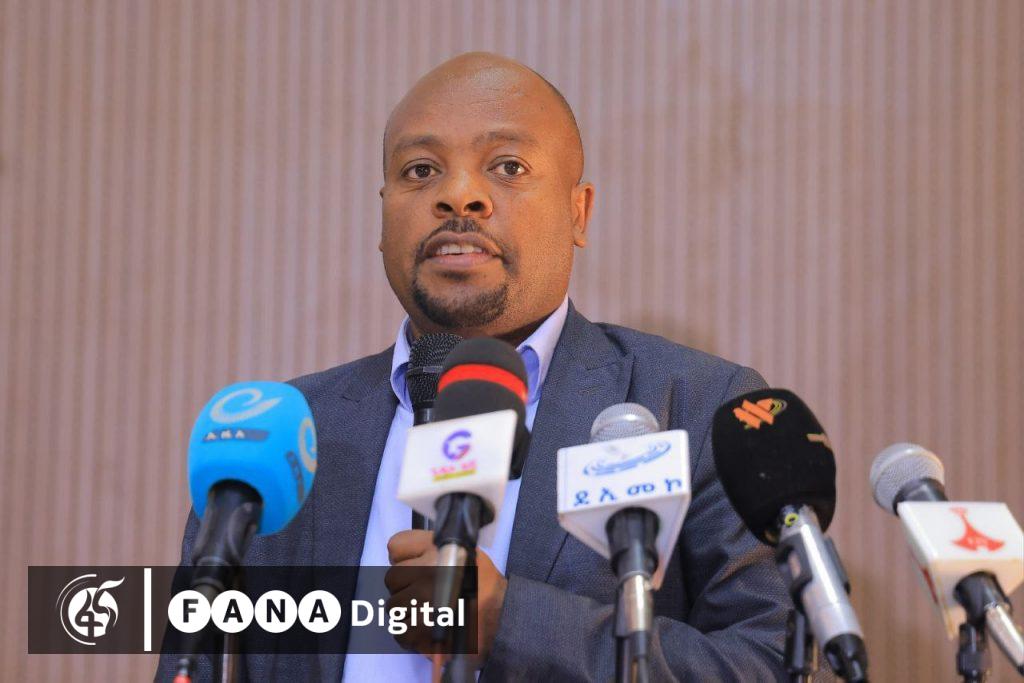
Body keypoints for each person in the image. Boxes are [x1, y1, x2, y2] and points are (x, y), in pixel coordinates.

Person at [158, 52, 791, 681]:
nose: (458, 195)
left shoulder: (693, 409)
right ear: (383, 213)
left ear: (578, 212)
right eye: (421, 170)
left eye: (508, 166)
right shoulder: (281, 442)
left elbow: (773, 661)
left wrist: (509, 621)